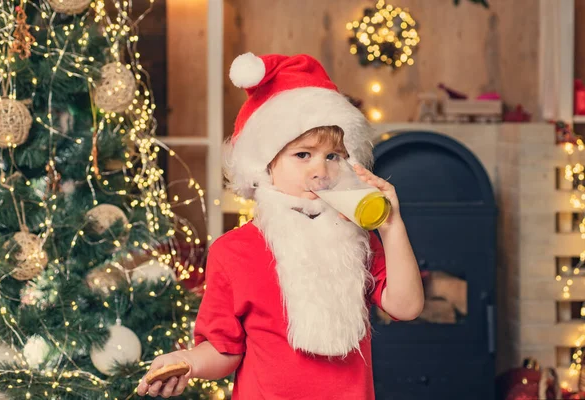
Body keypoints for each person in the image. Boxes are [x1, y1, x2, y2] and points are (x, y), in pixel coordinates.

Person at [137, 53, 424, 399]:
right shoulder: (233, 251)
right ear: (265, 165)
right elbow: (224, 349)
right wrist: (187, 361)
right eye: (302, 155)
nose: (321, 170)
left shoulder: (356, 239)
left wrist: (392, 226)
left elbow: (406, 306)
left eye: (333, 156)